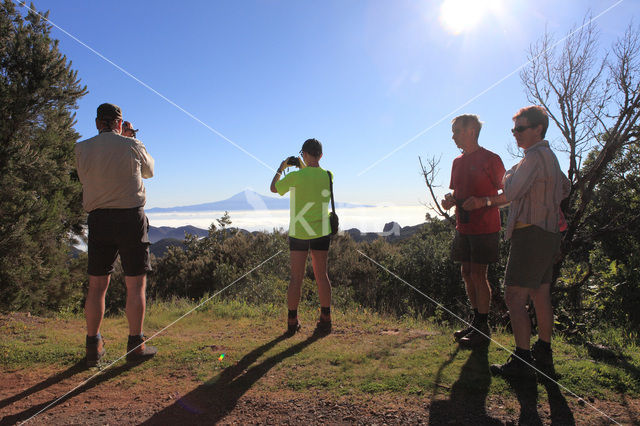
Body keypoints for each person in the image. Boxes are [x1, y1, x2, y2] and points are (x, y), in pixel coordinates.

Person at [464, 105, 570, 379]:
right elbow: (565, 187)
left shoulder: (534, 157)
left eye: (521, 129)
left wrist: (509, 176)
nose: (516, 134)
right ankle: (543, 354)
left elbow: (510, 189)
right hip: (548, 233)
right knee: (540, 293)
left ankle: (522, 359)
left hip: (531, 233)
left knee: (514, 295)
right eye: (514, 129)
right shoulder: (551, 157)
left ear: (538, 129)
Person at [75, 103, 157, 366]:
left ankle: (93, 346)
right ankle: (136, 345)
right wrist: (131, 139)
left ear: (98, 123)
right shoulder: (133, 145)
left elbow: (85, 177)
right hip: (130, 218)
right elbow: (149, 172)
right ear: (120, 124)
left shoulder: (82, 148)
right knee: (135, 284)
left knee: (97, 286)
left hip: (98, 219)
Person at [440, 114, 505, 347]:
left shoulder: (491, 159)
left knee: (479, 275)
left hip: (485, 227)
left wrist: (483, 202)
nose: (453, 135)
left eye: (457, 130)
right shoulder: (457, 162)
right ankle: (476, 322)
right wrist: (450, 201)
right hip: (463, 226)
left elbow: (507, 195)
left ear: (471, 131)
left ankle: (483, 329)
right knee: (467, 274)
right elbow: (458, 193)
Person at [270, 138, 333, 335]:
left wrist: (282, 167)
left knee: (296, 278)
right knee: (322, 276)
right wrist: (305, 165)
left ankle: (292, 321)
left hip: (299, 233)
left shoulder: (296, 176)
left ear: (303, 154)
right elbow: (313, 174)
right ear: (321, 155)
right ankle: (325, 319)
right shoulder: (328, 176)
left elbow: (274, 188)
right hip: (321, 231)